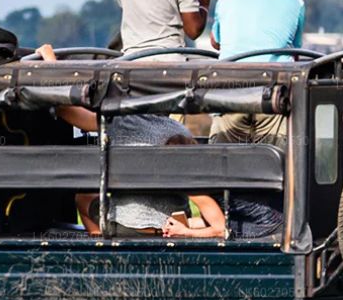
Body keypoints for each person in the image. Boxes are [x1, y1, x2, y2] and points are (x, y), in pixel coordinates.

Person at [37, 44, 225, 238]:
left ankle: (100, 239)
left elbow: (65, 108)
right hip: (173, 227)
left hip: (126, 227)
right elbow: (218, 223)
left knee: (83, 198)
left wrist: (50, 61)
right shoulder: (180, 131)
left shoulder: (121, 122)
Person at [209, 0, 305, 145]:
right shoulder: (295, 1)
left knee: (222, 164)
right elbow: (295, 51)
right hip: (272, 94)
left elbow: (216, 42)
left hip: (229, 91)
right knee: (276, 164)